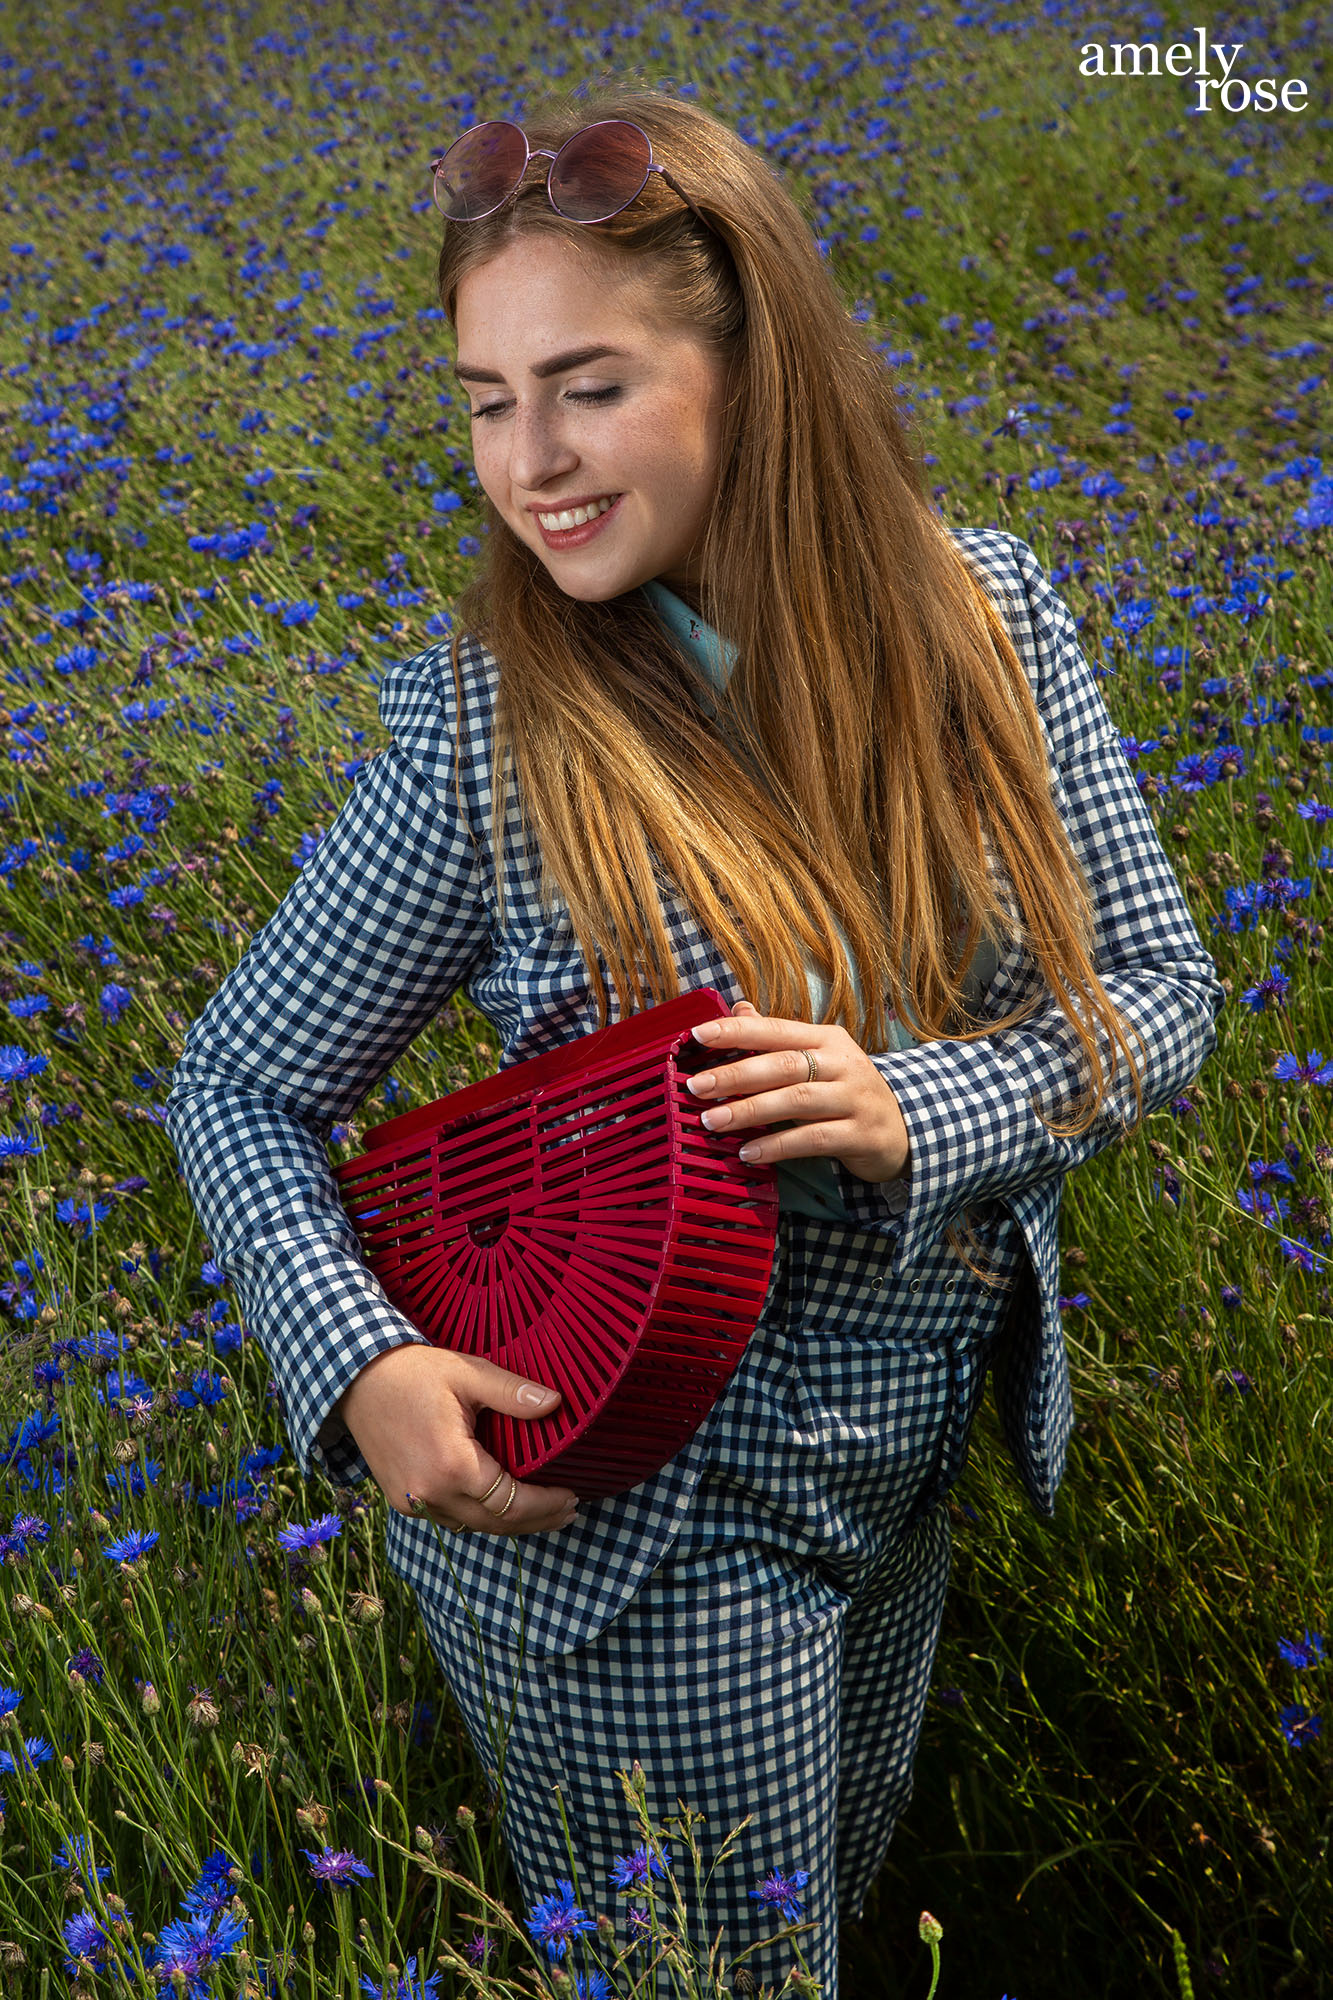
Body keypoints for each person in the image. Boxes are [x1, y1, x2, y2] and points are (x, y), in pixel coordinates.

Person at [165, 80, 1225, 1995]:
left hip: (899, 1478)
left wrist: (924, 1101)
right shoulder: (491, 732)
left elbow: (1159, 993)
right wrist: (365, 1374)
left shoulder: (994, 620)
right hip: (625, 1529)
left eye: (587, 386)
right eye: (486, 400)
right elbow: (237, 1083)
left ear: (754, 371)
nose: (529, 463)